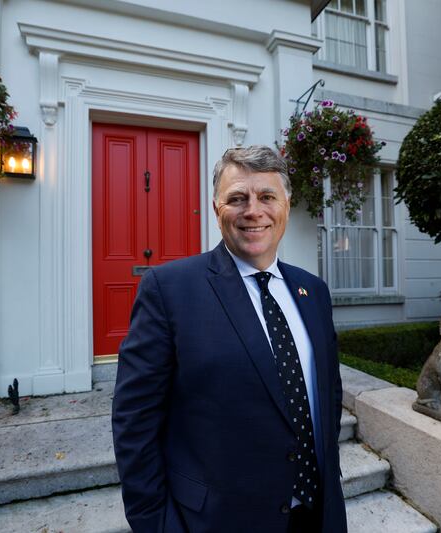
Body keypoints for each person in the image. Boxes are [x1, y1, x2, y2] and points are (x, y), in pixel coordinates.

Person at [112, 145, 347, 533]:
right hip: (218, 520)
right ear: (216, 209)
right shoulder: (169, 290)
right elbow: (134, 423)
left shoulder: (313, 291)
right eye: (237, 198)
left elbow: (328, 397)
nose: (253, 210)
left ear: (286, 206)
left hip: (317, 513)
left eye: (267, 196)